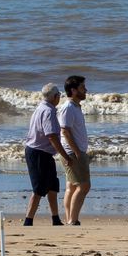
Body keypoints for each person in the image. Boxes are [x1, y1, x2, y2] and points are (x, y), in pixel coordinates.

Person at [22, 83, 69, 226]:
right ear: (55, 96)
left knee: (53, 186)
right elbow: (51, 137)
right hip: (38, 152)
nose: (59, 98)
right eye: (59, 95)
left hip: (43, 152)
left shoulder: (42, 108)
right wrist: (65, 156)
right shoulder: (48, 111)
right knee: (39, 188)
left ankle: (55, 218)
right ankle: (28, 220)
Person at [58, 74, 91, 226]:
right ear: (73, 90)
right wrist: (77, 151)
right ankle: (73, 220)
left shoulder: (76, 107)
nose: (85, 90)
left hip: (75, 151)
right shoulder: (68, 107)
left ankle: (70, 218)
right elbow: (64, 131)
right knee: (84, 186)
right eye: (82, 88)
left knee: (71, 186)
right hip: (72, 152)